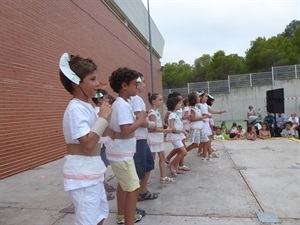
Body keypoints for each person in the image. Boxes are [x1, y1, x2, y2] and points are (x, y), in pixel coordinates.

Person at [59, 53, 112, 225]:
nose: (98, 84)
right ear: (76, 83)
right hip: (82, 174)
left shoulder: (87, 107)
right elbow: (88, 144)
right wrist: (102, 118)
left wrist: (106, 118)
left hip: (92, 172)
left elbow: (100, 136)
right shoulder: (76, 109)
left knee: (99, 215)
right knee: (87, 220)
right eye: (92, 79)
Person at [106, 67, 148, 225]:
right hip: (121, 155)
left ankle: (121, 215)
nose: (137, 86)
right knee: (133, 188)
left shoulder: (121, 103)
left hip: (119, 153)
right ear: (124, 85)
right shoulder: (122, 105)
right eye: (134, 83)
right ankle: (128, 220)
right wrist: (140, 119)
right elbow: (125, 130)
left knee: (124, 185)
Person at [130, 73, 159, 202]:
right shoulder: (136, 99)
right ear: (136, 83)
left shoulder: (136, 99)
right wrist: (151, 124)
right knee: (139, 169)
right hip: (138, 139)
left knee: (148, 165)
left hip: (142, 138)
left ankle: (142, 191)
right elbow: (138, 118)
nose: (145, 85)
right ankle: (135, 196)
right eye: (143, 82)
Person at [91, 89, 116, 201]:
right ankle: (102, 190)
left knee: (104, 166)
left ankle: (104, 184)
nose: (108, 101)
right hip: (100, 143)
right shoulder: (98, 112)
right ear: (100, 100)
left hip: (103, 142)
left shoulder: (98, 111)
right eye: (106, 98)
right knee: (101, 167)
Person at [147, 93, 175, 183]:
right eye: (160, 100)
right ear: (153, 102)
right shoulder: (152, 113)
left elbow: (158, 126)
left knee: (162, 156)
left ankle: (163, 177)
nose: (162, 101)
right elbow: (152, 129)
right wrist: (166, 131)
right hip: (153, 139)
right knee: (151, 159)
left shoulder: (157, 112)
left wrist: (165, 129)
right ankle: (145, 180)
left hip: (158, 139)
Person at [165, 96, 188, 176]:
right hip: (175, 137)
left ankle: (176, 167)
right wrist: (182, 131)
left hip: (178, 136)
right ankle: (172, 164)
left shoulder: (175, 114)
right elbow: (172, 127)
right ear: (174, 105)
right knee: (184, 152)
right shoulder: (172, 115)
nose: (180, 105)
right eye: (179, 103)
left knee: (180, 151)